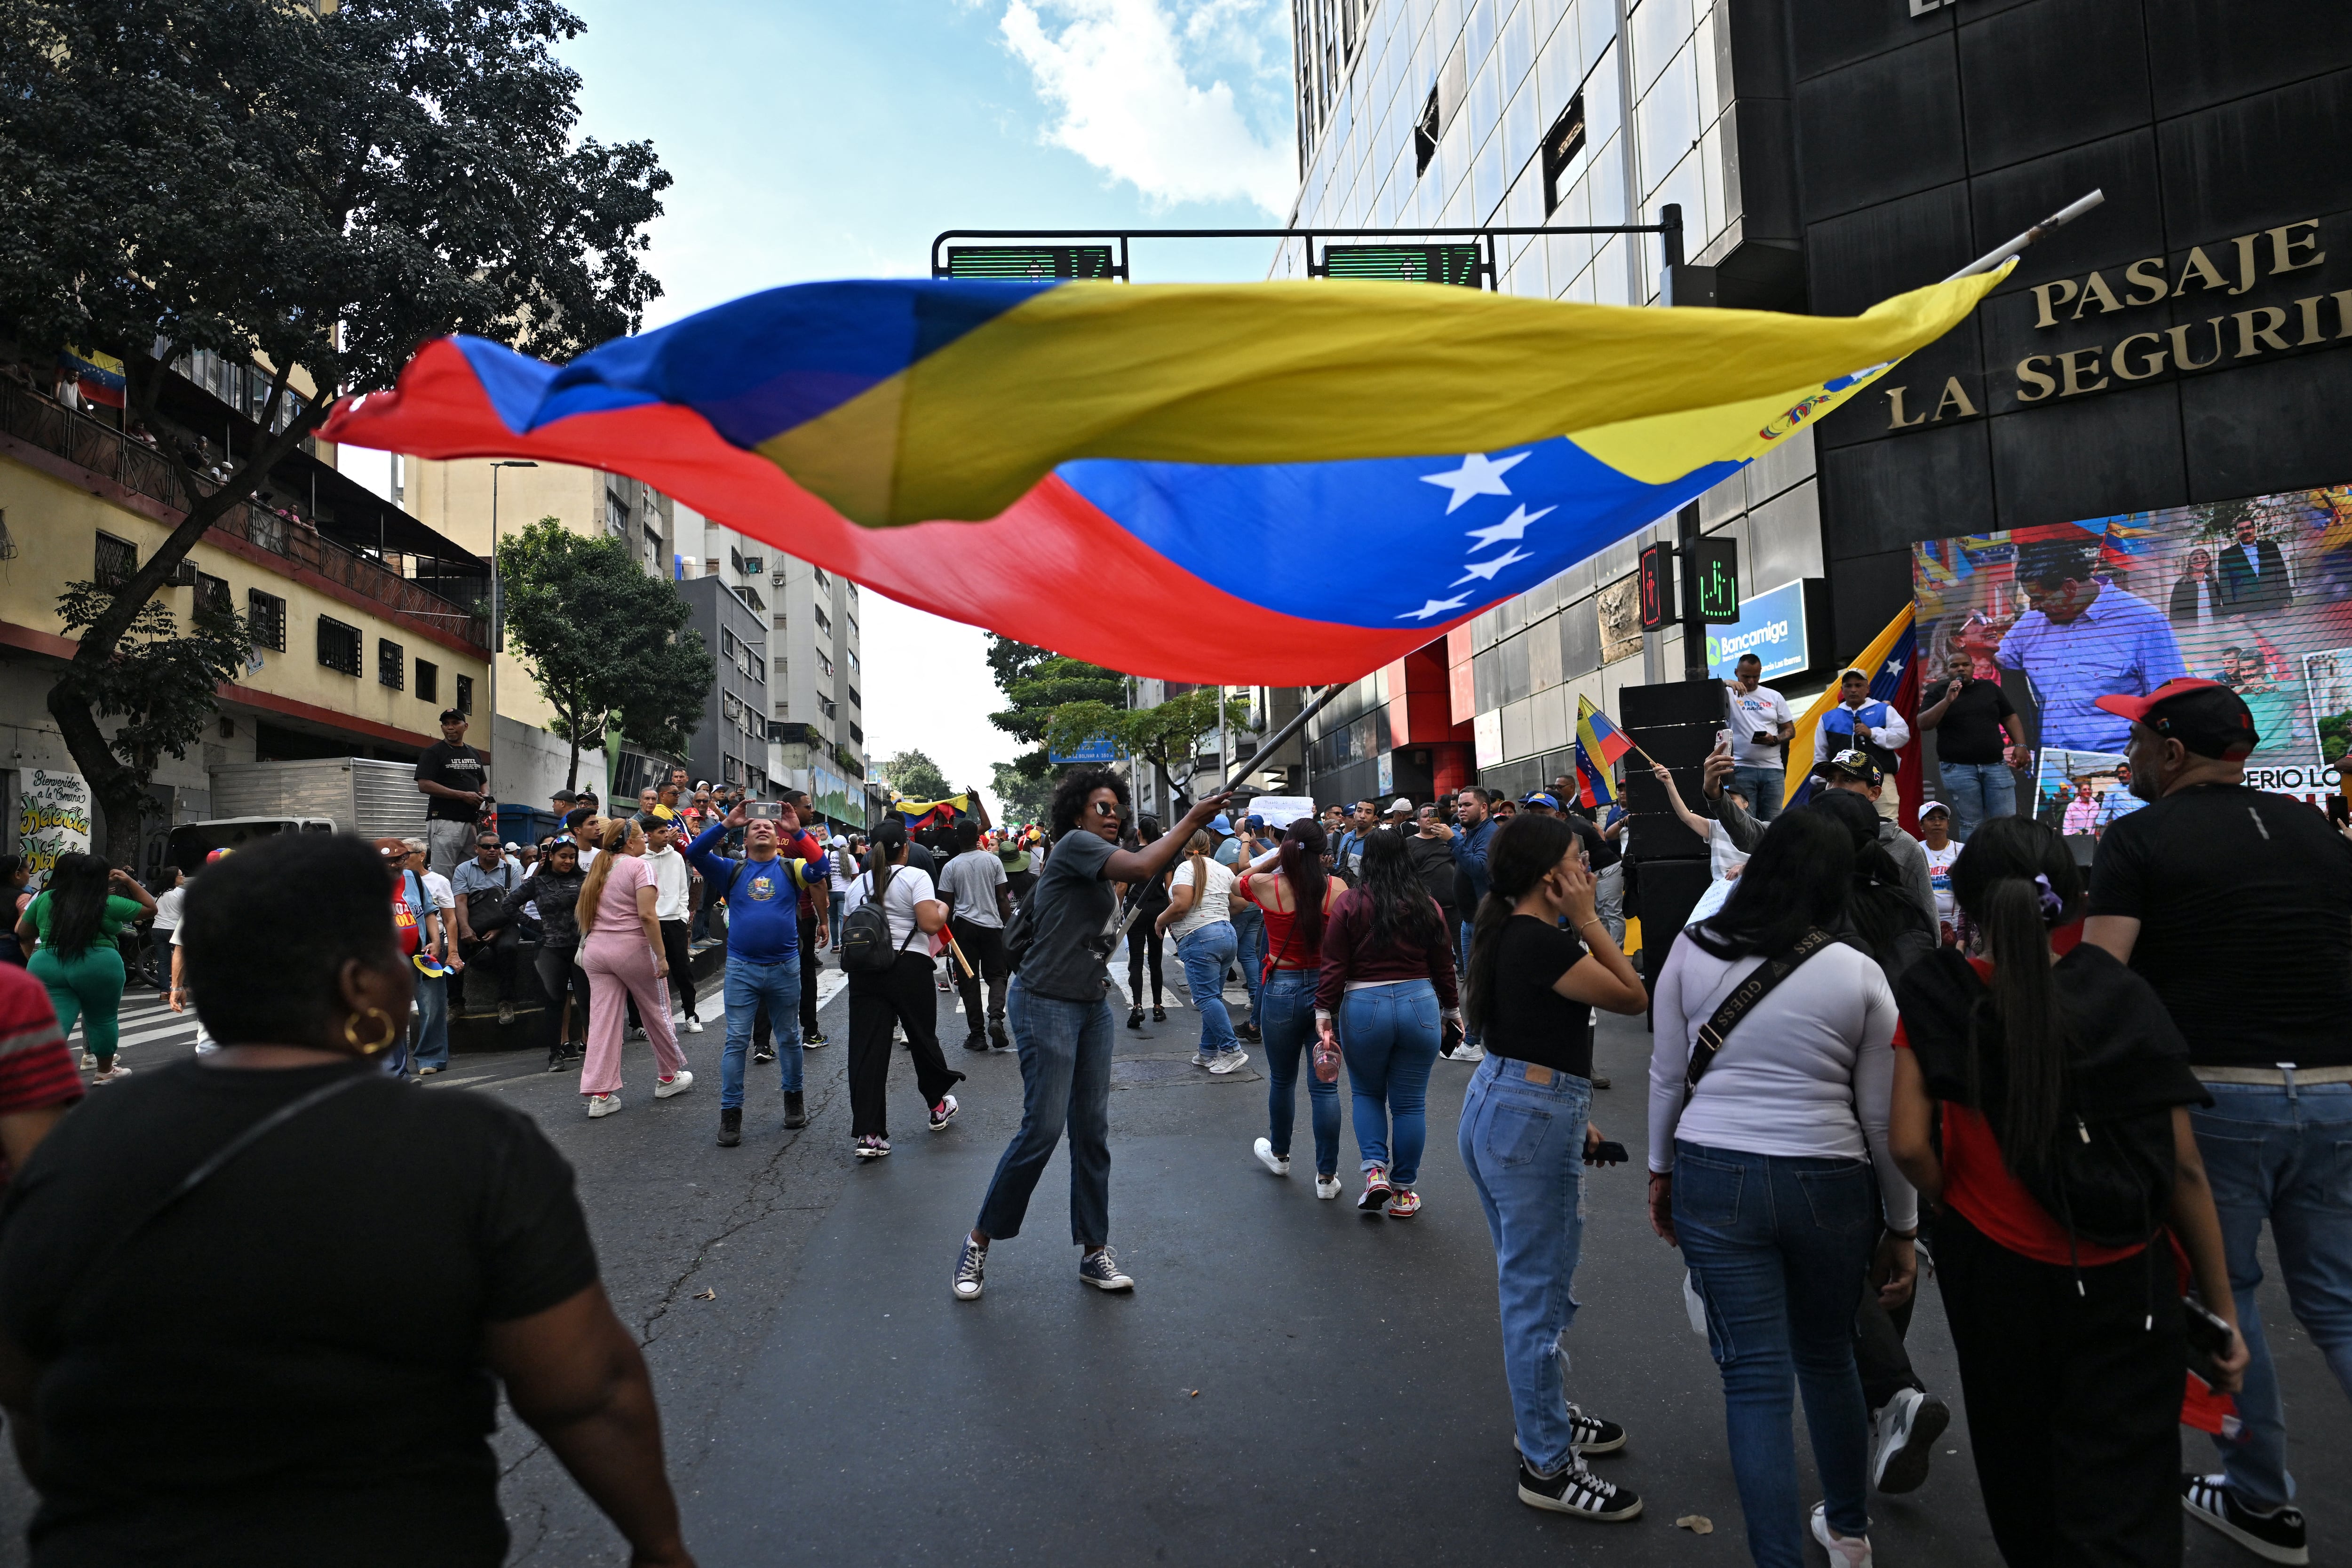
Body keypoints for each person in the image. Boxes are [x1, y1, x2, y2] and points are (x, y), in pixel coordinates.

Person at [0, 833, 696, 1568]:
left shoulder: (76, 1146)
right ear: (365, 985)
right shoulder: (473, 1152)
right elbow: (587, 1389)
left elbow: (29, 1391)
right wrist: (659, 1544)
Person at [1888, 816, 2245, 1568]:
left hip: (1996, 1272)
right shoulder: (2121, 994)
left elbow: (1909, 1143)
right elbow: (2183, 1170)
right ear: (2074, 899)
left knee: (2021, 1460)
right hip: (2123, 1272)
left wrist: (1955, 1200)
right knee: (2127, 1479)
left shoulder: (1936, 991)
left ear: (1969, 905)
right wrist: (2222, 1309)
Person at [2081, 679, 2352, 1566]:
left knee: (2225, 1296)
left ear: (2168, 749)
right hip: (2336, 1086)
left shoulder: (2140, 837)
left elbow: (2099, 977)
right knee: (2341, 1303)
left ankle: (2263, 1499)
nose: (2126, 762)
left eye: (2135, 744)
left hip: (2216, 1098)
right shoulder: (2317, 829)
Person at [1647, 809, 1916, 1568]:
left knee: (1756, 1381)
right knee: (1828, 1354)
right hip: (1830, 1179)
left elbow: (1668, 1075)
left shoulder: (1690, 951)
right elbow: (1878, 1113)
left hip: (1714, 1168)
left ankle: (1778, 1558)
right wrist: (1903, 1224)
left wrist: (1661, 1170)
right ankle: (1851, 1531)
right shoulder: (1858, 971)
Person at [953, 772, 1230, 1302]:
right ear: (1077, 814)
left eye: (1117, 809)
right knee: (1042, 1128)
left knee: (1091, 1131)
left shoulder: (1098, 864)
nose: (1112, 815)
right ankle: (977, 1241)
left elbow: (1132, 880)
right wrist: (1191, 819)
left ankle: (1093, 1250)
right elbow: (1145, 863)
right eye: (1101, 807)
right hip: (1043, 1002)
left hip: (1089, 1005)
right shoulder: (1076, 846)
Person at [1458, 811, 1648, 1522]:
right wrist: (1591, 919)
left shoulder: (1510, 929)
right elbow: (1633, 994)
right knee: (1534, 1297)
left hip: (1510, 1104)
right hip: (1525, 1117)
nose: (1589, 865)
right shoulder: (1541, 939)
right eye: (1577, 858)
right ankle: (1546, 1461)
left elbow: (1529, 1032)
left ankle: (1545, 1419)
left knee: (1526, 1285)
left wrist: (1573, 1116)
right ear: (1551, 876)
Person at [1315, 828, 1458, 1217]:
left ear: (1367, 861)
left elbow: (1334, 964)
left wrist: (1324, 1011)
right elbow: (1445, 964)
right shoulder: (1427, 904)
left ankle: (1375, 1172)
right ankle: (1404, 1191)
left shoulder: (1350, 903)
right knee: (1411, 1105)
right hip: (1420, 1003)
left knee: (1366, 1093)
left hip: (1364, 1004)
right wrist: (1452, 1011)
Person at [683, 802, 826, 1147]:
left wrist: (797, 831)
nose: (762, 829)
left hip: (785, 968)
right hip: (742, 969)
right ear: (745, 839)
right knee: (736, 1042)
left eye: (769, 827)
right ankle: (731, 1115)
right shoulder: (730, 870)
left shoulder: (792, 868)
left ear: (777, 838)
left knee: (790, 1038)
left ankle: (794, 1101)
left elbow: (820, 868)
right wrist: (727, 824)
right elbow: (693, 851)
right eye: (754, 827)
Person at [1995, 539, 2186, 755]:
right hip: (2048, 768)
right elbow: (1991, 669)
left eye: (2039, 598)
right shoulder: (2030, 625)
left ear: (2070, 587)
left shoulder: (2145, 623)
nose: (2033, 607)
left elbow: (2171, 706)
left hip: (2122, 766)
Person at [1239, 819, 1346, 1197]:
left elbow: (1241, 881)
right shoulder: (1337, 888)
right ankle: (1327, 1178)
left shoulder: (1269, 887)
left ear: (1287, 850)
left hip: (1282, 991)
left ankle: (1280, 1154)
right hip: (1326, 994)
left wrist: (1276, 856)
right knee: (1325, 1088)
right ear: (1323, 853)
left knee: (1282, 1080)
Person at [843, 823, 959, 1158]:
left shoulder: (857, 885)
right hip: (909, 967)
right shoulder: (915, 877)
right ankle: (938, 1107)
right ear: (905, 849)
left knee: (867, 1051)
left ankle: (870, 1134)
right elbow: (930, 923)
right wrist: (944, 908)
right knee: (923, 1040)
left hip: (866, 972)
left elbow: (850, 928)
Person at [575, 817, 691, 1119]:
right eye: (640, 836)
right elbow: (648, 917)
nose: (644, 841)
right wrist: (662, 956)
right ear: (630, 841)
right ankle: (669, 1076)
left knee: (602, 1021)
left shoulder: (599, 867)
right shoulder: (640, 867)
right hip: (633, 948)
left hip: (597, 952)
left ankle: (600, 1095)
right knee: (657, 1010)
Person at [16, 855, 156, 1083]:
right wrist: (128, 881)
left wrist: (36, 957)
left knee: (54, 1020)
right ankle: (105, 1071)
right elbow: (151, 909)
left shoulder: (46, 898)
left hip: (48, 962)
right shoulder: (107, 903)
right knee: (102, 1018)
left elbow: (23, 932)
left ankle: (42, 1075)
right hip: (98, 963)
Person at [1811, 751, 1939, 944]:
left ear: (1874, 793)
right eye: (1830, 780)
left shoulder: (1904, 845)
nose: (1834, 788)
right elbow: (1757, 832)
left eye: (1847, 779)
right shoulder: (1806, 835)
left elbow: (1928, 919)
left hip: (1879, 961)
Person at [485, 836, 589, 1071]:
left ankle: (595, 1052)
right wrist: (536, 926)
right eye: (563, 856)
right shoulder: (537, 883)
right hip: (550, 950)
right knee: (554, 1003)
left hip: (582, 950)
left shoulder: (586, 880)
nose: (568, 861)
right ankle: (555, 1054)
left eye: (572, 857)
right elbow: (508, 905)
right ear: (551, 856)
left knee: (587, 1002)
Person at [1159, 828, 1246, 1074]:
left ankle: (1231, 1051)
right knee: (1213, 998)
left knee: (1205, 998)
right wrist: (1219, 913)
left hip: (1199, 937)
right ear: (1209, 847)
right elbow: (1241, 902)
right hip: (1227, 934)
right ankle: (1207, 1052)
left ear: (1184, 849)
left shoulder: (1185, 869)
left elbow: (1182, 905)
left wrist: (1160, 921)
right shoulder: (1223, 869)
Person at [1918, 650, 2027, 839]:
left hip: (1995, 766)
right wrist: (1947, 700)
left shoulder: (1989, 688)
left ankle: (2008, 866)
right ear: (1947, 670)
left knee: (2006, 822)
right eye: (1954, 666)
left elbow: (2009, 716)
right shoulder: (1938, 692)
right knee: (1971, 823)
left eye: (1965, 665)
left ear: (1973, 668)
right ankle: (1976, 868)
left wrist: (2020, 745)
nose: (1961, 669)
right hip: (1958, 769)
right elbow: (1923, 724)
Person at [1431, 786, 1497, 1061]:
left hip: (1485, 921)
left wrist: (1453, 842)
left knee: (1484, 985)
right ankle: (1472, 1043)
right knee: (1475, 985)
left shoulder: (1490, 833)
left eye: (1467, 805)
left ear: (1484, 808)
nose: (1461, 809)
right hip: (1470, 921)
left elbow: (1480, 868)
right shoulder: (1470, 833)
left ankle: (1480, 1044)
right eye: (1459, 805)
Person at [938, 819, 1012, 1052]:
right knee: (998, 976)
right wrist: (1009, 928)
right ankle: (996, 1019)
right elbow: (1003, 899)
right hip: (993, 927)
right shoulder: (993, 862)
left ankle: (977, 1036)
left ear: (958, 840)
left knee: (969, 982)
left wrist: (946, 940)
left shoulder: (950, 867)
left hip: (963, 930)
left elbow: (946, 907)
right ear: (978, 838)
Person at [1813, 668, 1912, 819]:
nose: (1853, 690)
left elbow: (1903, 736)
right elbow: (1821, 753)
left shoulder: (1884, 710)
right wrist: (1821, 783)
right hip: (1842, 781)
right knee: (1842, 823)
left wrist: (1873, 733)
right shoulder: (1828, 718)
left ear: (1867, 688)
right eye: (1849, 686)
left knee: (1887, 823)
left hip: (1881, 779)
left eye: (1858, 685)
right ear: (1842, 690)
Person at [399, 839, 460, 1077]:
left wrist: (450, 950)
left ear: (422, 855)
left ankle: (430, 1056)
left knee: (432, 1006)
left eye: (406, 854)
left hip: (426, 953)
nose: (402, 860)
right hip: (395, 955)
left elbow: (446, 917)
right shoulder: (385, 881)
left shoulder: (434, 881)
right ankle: (393, 1064)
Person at [450, 831, 523, 1026]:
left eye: (497, 847)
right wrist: (465, 928)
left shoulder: (510, 871)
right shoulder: (464, 869)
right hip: (472, 922)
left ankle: (506, 1001)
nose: (493, 850)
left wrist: (498, 930)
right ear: (477, 849)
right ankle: (456, 1003)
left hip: (504, 923)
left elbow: (515, 905)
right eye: (487, 847)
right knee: (453, 954)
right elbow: (460, 902)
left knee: (508, 948)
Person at [638, 817, 700, 1035]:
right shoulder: (639, 858)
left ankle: (691, 1014)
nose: (668, 835)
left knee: (682, 969)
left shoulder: (676, 857)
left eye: (667, 831)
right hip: (647, 920)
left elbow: (684, 888)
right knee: (644, 972)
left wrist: (682, 915)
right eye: (662, 832)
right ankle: (638, 1024)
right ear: (648, 835)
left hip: (674, 919)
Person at [413, 707, 489, 878]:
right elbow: (424, 785)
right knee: (443, 875)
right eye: (446, 724)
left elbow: (483, 782)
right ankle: (443, 905)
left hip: (471, 822)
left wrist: (484, 797)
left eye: (455, 723)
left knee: (469, 873)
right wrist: (463, 795)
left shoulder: (474, 753)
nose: (450, 727)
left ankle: (465, 905)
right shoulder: (433, 753)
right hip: (445, 820)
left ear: (466, 726)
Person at [1725, 653, 1796, 822]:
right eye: (1746, 676)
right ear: (1736, 673)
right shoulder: (1728, 693)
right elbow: (1706, 689)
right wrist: (1727, 683)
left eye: (1756, 676)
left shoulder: (1774, 696)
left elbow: (1790, 730)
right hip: (1742, 767)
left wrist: (1774, 739)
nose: (1751, 681)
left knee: (1773, 822)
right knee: (1746, 822)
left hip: (1773, 769)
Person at [1120, 816, 1171, 1030]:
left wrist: (1115, 912)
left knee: (1136, 960)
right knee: (1156, 960)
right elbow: (1170, 889)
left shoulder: (1128, 855)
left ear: (1138, 832)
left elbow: (1122, 887)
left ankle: (1138, 1006)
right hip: (1159, 909)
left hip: (1135, 910)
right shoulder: (1164, 854)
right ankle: (1158, 1006)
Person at [2218, 506, 2293, 617]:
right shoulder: (2226, 556)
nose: (2245, 531)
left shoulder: (2270, 547)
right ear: (2237, 532)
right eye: (2241, 529)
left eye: (2248, 527)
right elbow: (2226, 587)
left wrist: (2286, 601)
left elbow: (2281, 574)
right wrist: (2233, 614)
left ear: (2254, 529)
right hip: (2247, 612)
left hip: (2274, 607)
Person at [1915, 802, 1958, 945]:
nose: (1938, 823)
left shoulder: (1962, 850)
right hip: (1925, 926)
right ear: (1921, 825)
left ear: (1948, 824)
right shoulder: (1915, 850)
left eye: (1942, 818)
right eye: (1931, 819)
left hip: (1957, 926)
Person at [147, 867, 186, 991]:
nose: (183, 877)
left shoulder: (158, 894)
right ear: (174, 878)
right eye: (181, 875)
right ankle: (180, 987)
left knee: (163, 962)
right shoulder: (181, 893)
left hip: (158, 929)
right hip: (175, 930)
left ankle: (164, 991)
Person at [2170, 546, 2224, 628]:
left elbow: (2218, 608)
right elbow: (2174, 612)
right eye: (2195, 559)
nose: (2200, 561)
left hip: (2213, 632)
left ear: (2208, 561)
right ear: (2191, 563)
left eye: (2203, 558)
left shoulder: (2213, 583)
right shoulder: (2181, 584)